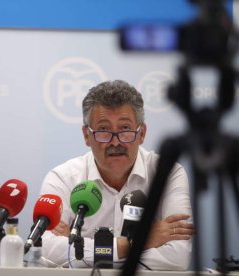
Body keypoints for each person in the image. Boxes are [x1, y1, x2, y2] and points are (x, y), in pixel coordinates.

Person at [40, 80, 194, 270]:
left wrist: (81, 249)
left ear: (142, 133)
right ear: (87, 136)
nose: (115, 142)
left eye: (125, 129)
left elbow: (178, 257)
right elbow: (46, 250)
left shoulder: (168, 172)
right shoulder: (63, 178)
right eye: (104, 130)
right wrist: (134, 243)